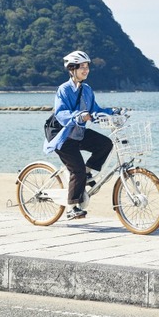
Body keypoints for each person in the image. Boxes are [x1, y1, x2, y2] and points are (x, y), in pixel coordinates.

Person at [43, 50, 115, 220]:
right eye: (82, 67)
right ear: (72, 69)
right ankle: (71, 207)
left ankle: (88, 172)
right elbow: (61, 113)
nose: (86, 70)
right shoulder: (64, 89)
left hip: (79, 133)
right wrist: (78, 116)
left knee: (105, 144)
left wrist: (113, 112)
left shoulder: (87, 90)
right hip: (63, 136)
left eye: (87, 66)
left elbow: (95, 110)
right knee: (77, 170)